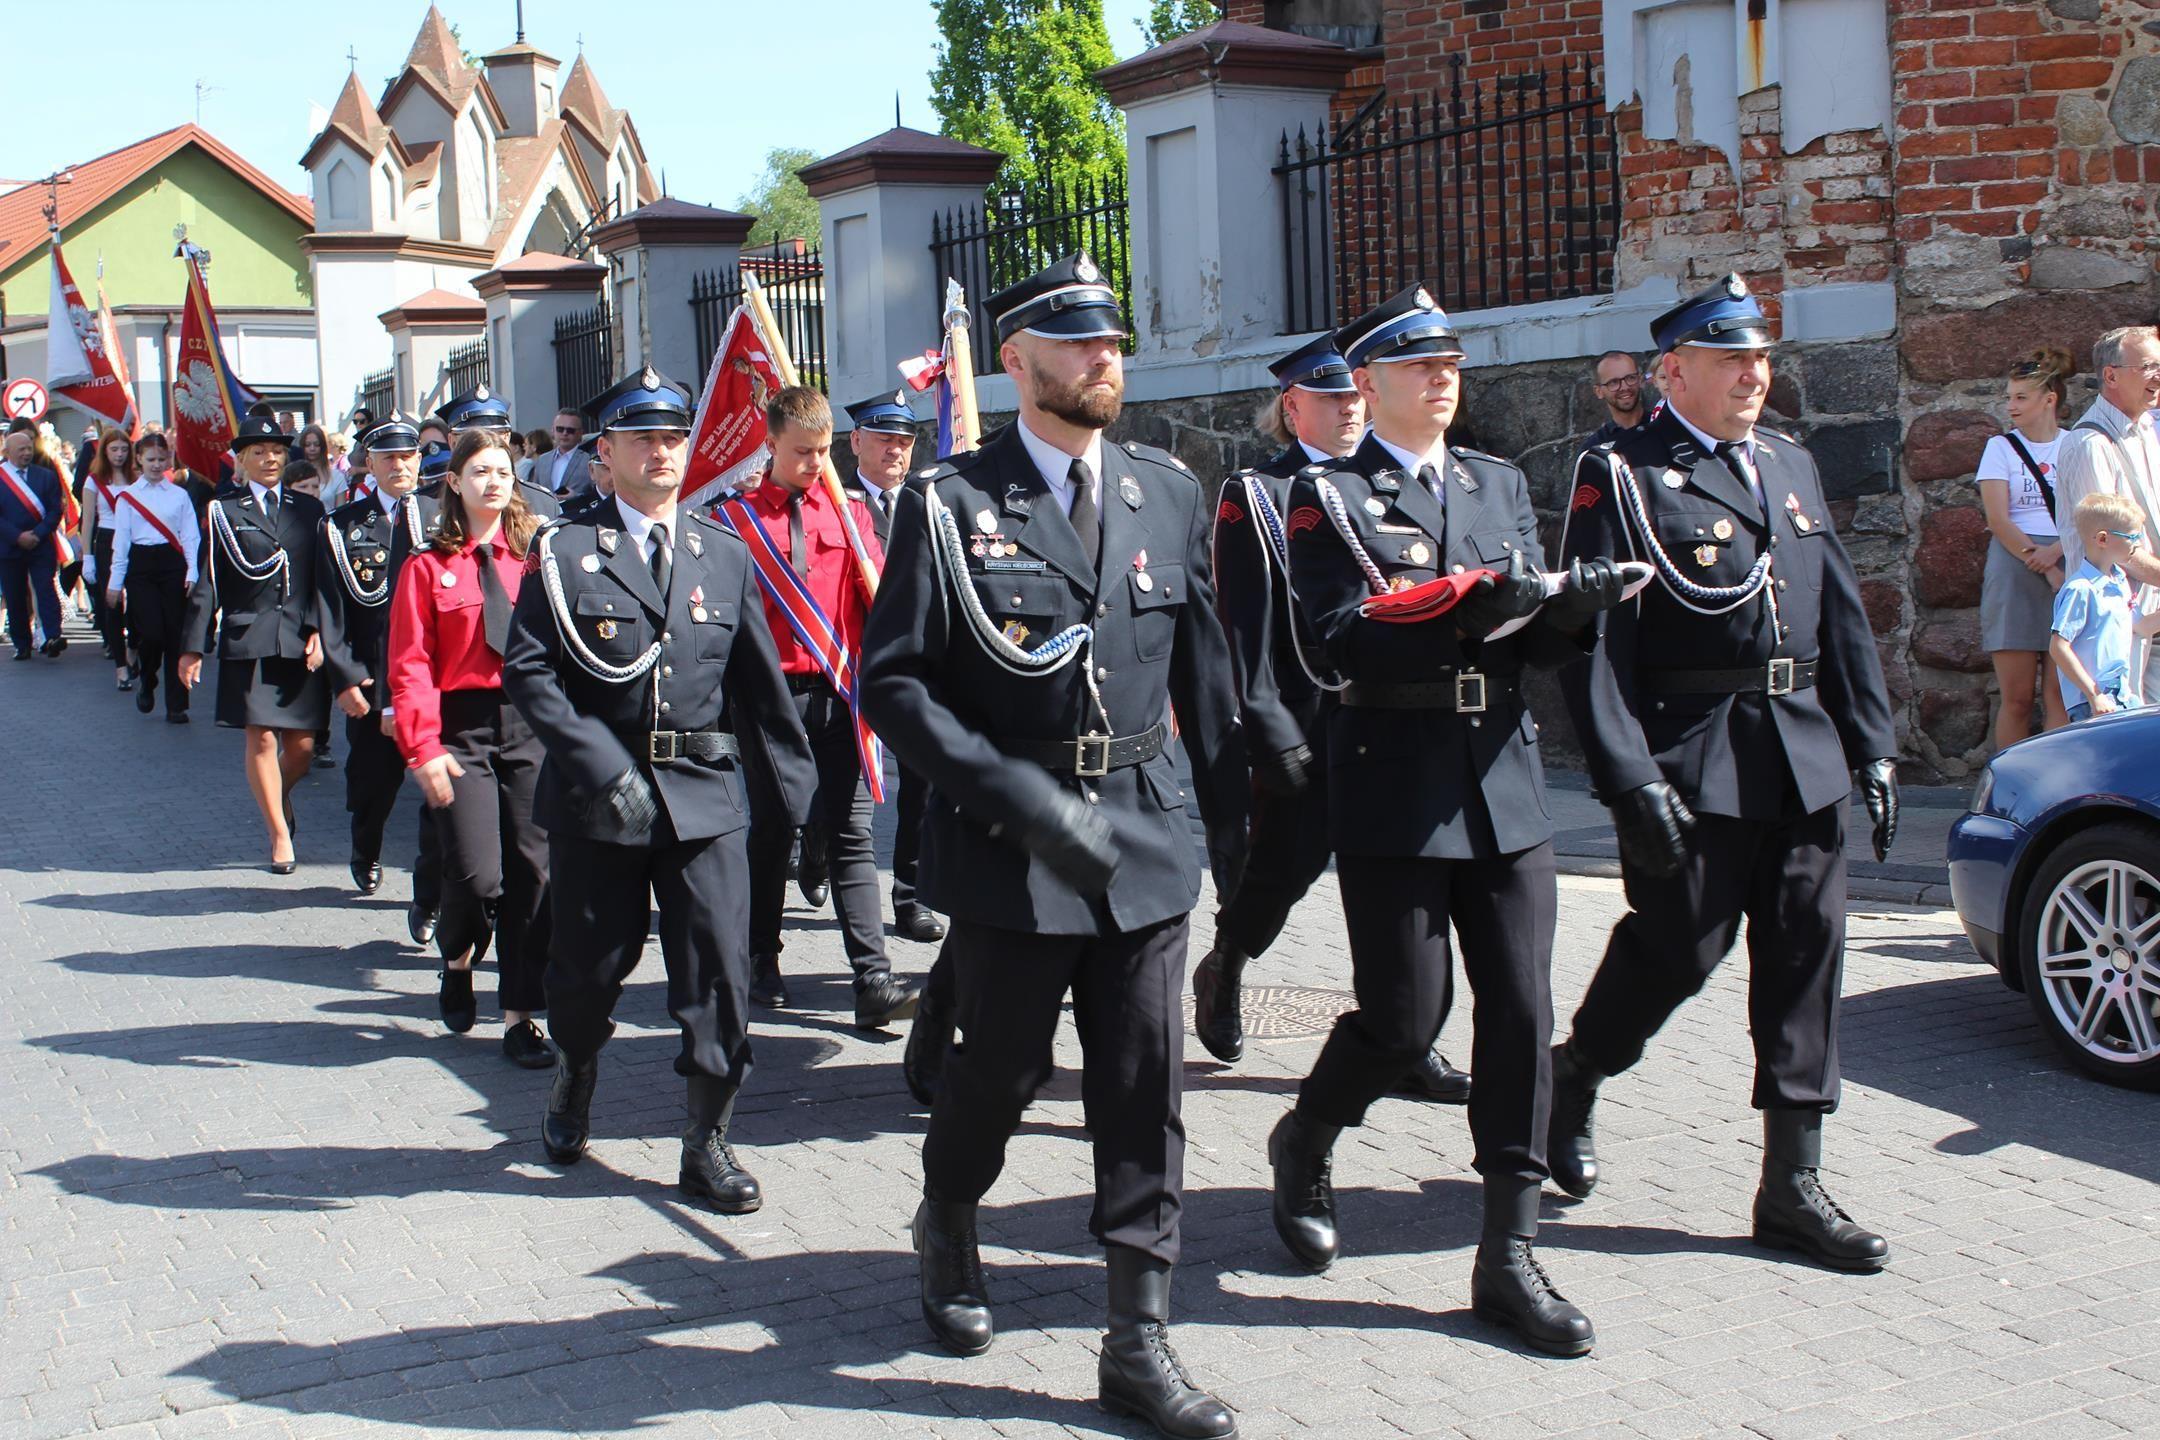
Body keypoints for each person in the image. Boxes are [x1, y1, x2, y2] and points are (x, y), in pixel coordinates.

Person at [860, 253, 1249, 1438]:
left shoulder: (1166, 491)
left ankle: (1137, 1337)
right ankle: (948, 1214)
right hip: (1013, 842)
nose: (1105, 362)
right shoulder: (951, 502)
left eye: (1115, 344)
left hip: (1140, 830)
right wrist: (1014, 801)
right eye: (1079, 346)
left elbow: (1207, 678)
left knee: (1144, 1083)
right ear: (1018, 364)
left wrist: (1234, 840)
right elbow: (897, 686)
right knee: (1004, 1071)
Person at [1264, 286, 1627, 1360]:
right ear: (1367, 384)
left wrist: (1568, 613)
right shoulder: (1329, 496)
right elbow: (1331, 643)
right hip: (1395, 778)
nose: (1442, 380)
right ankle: (1307, 1135)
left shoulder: (1497, 481)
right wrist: (1462, 609)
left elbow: (1524, 645)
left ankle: (1505, 1253)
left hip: (1503, 778)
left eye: (1452, 364)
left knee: (1519, 1010)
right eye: (1418, 366)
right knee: (1403, 1018)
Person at [1550, 274, 1901, 1280]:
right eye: (1731, 359)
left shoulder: (1788, 462)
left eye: (1761, 359)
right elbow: (1594, 645)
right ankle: (1578, 1070)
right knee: (1677, 950)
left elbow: (1840, 611)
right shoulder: (1620, 474)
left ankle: (1791, 1182)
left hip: (1802, 750)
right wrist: (1628, 780)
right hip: (1694, 755)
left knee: (1806, 956)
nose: (1755, 375)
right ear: (1674, 372)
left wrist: (1871, 744)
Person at [502, 367, 815, 1211]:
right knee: (586, 976)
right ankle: (575, 1066)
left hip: (704, 799)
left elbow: (763, 694)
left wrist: (800, 804)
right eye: (641, 437)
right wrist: (603, 769)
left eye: (673, 436)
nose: (661, 450)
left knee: (718, 976)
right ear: (604, 454)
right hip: (598, 805)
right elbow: (530, 677)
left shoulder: (725, 552)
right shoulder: (565, 552)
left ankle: (705, 1138)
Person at [1194, 333, 1472, 1103]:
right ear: (1293, 407)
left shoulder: (1387, 479)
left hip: (1389, 720)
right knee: (1283, 871)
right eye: (1330, 397)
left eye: (1354, 394)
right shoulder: (1260, 492)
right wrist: (1268, 725)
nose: (1349, 408)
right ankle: (1228, 961)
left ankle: (1404, 1035)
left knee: (1403, 884)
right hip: (1308, 714)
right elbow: (1242, 624)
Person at [730, 388, 918, 1027]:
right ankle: (760, 953)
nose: (815, 463)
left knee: (851, 835)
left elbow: (880, 595)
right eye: (801, 453)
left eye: (822, 451)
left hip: (840, 695)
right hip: (770, 701)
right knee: (777, 829)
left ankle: (872, 978)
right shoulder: (737, 520)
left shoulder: (851, 514)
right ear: (772, 444)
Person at [388, 429, 555, 1065]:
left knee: (531, 876)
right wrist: (422, 746)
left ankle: (519, 1015)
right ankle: (457, 960)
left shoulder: (536, 560)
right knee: (476, 873)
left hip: (531, 727)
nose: (494, 481)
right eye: (480, 471)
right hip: (461, 732)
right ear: (454, 482)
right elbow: (410, 664)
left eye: (504, 472)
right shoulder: (427, 566)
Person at [179, 409, 332, 874]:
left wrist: (322, 632)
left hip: (300, 637)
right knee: (261, 739)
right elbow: (209, 582)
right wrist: (192, 646)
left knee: (303, 748)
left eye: (277, 451)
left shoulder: (309, 508)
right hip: (249, 636)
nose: (269, 458)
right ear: (241, 460)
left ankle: (277, 792)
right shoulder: (224, 511)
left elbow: (324, 578)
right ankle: (278, 834)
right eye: (259, 452)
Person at [315, 413, 437, 905]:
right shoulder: (343, 526)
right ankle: (366, 849)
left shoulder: (441, 515)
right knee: (373, 783)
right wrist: (343, 678)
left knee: (443, 786)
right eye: (387, 456)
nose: (399, 465)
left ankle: (435, 888)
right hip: (371, 676)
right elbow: (331, 610)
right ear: (368, 463)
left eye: (408, 455)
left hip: (432, 675)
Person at [841, 391, 947, 947]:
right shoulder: (838, 502)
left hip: (914, 669)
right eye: (885, 439)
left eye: (904, 441)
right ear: (856, 441)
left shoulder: (929, 503)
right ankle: (814, 853)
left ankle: (911, 897)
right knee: (840, 795)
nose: (896, 452)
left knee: (922, 789)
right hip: (851, 670)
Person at [2055, 326, 2160, 700]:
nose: (2159, 375)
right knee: (2120, 742)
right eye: (2148, 366)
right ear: (2111, 375)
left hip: (2147, 618)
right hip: (2110, 627)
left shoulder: (2147, 430)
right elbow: (2112, 546)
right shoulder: (2089, 445)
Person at [1976, 347, 2073, 748]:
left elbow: (2090, 510)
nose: (2010, 406)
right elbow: (1998, 519)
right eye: (2009, 397)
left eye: (2021, 397)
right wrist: (2045, 564)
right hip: (2017, 564)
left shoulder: (2075, 445)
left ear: (2048, 399)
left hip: (2068, 557)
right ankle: (2011, 790)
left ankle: (2058, 790)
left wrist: (2061, 551)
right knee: (2016, 699)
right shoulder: (2000, 448)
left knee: (2059, 695)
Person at [103, 429, 200, 724]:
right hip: (141, 567)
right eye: (151, 459)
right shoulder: (127, 498)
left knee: (175, 635)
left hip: (173, 565)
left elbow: (191, 536)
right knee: (152, 633)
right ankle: (147, 678)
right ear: (139, 461)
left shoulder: (180, 495)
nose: (157, 464)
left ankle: (176, 704)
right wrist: (115, 582)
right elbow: (120, 542)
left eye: (161, 458)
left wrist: (192, 570)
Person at [2050, 492, 2156, 721]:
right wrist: (2094, 695)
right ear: (2103, 539)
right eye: (2132, 536)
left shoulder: (2119, 582)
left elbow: (2141, 627)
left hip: (2123, 697)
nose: (2138, 542)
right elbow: (2058, 648)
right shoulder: (2081, 589)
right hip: (2093, 703)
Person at [0, 417, 68, 660]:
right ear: (7, 452)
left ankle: (52, 635)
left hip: (40, 544)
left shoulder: (45, 475)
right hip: (9, 546)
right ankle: (22, 643)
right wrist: (17, 536)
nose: (27, 453)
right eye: (21, 449)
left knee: (45, 588)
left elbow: (55, 509)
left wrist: (37, 534)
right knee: (15, 594)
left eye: (29, 448)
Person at [78, 426, 140, 688]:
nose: (119, 454)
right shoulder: (94, 480)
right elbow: (88, 521)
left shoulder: (136, 477)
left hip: (135, 542)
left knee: (138, 602)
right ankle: (120, 667)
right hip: (106, 541)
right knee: (112, 605)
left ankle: (133, 648)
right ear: (104, 451)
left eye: (124, 449)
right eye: (114, 449)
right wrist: (88, 557)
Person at [1587, 350, 1651, 445]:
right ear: (1599, 391)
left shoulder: (1664, 426)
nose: (1624, 387)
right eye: (1613, 382)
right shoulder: (1595, 448)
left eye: (1630, 378)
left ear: (1640, 380)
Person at [531, 409, 589, 497]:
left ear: (580, 433)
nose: (565, 433)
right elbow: (534, 492)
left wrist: (576, 497)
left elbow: (600, 493)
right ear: (553, 430)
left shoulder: (588, 460)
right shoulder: (542, 460)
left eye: (570, 430)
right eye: (560, 429)